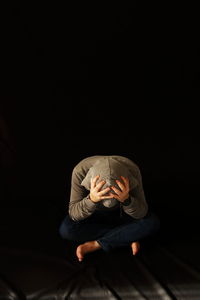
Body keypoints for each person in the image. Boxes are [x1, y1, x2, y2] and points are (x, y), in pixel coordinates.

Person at [59, 155, 160, 262]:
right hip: (94, 216)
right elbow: (74, 213)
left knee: (152, 222)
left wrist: (127, 200)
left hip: (123, 214)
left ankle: (99, 243)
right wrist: (91, 200)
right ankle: (127, 236)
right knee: (66, 230)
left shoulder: (132, 170)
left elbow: (141, 213)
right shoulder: (80, 171)